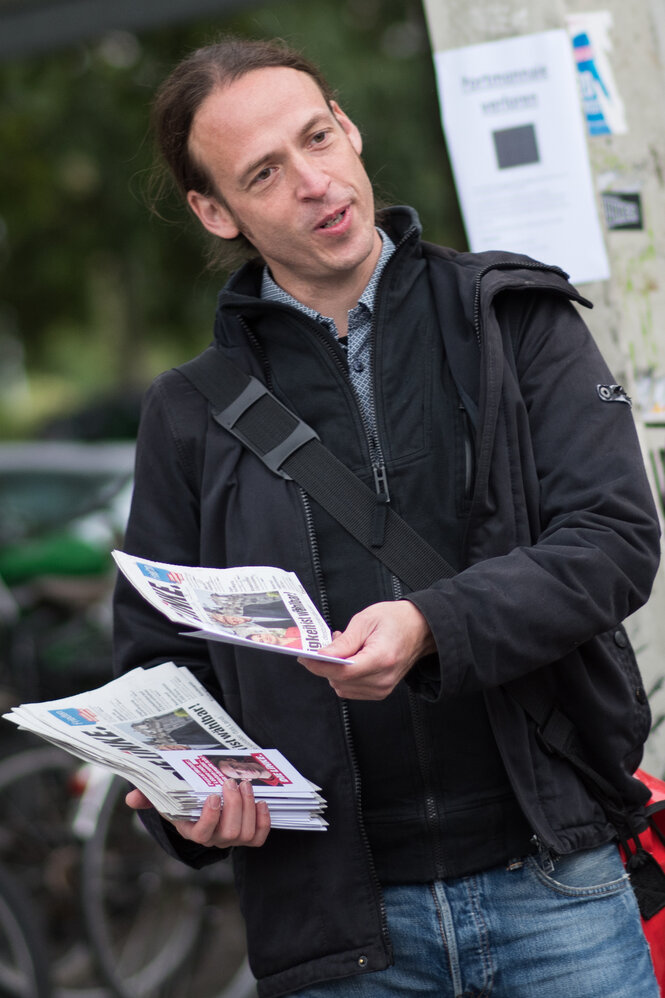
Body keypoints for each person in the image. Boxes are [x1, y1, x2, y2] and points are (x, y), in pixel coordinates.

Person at [113, 35, 662, 998]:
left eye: (318, 137)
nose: (315, 182)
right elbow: (162, 661)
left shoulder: (511, 317)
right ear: (216, 210)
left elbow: (612, 540)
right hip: (337, 927)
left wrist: (429, 626)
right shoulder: (189, 411)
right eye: (265, 172)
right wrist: (186, 798)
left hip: (553, 881)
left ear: (350, 127)